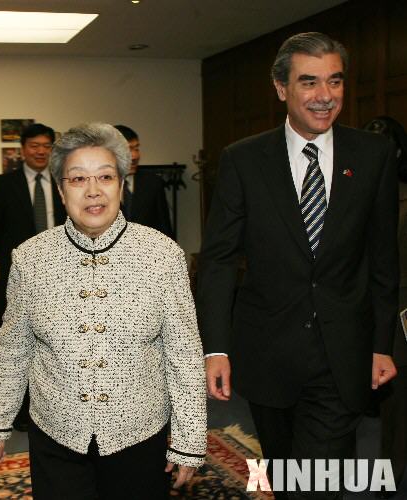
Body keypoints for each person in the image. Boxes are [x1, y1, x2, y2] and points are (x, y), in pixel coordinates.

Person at [197, 32, 398, 499]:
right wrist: (216, 348)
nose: (325, 95)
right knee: (286, 472)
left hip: (342, 354)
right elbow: (220, 260)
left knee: (320, 478)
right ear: (281, 88)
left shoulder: (373, 155)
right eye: (309, 82)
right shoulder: (243, 160)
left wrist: (382, 344)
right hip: (267, 352)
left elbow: (384, 259)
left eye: (335, 81)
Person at [0, 123, 206, 500]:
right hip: (56, 435)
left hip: (138, 435)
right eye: (78, 179)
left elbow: (183, 353)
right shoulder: (30, 258)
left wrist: (189, 439)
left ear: (121, 184)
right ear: (61, 190)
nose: (93, 190)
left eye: (105, 176)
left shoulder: (162, 256)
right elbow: (13, 348)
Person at [0, 122, 66, 431]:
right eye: (35, 145)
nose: (41, 151)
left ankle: (54, 408)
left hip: (61, 274)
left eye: (47, 146)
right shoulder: (3, 184)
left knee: (56, 341)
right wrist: (18, 262)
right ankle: (21, 414)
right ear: (22, 150)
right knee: (19, 342)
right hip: (20, 275)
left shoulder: (63, 181)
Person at [363, 116, 407, 498]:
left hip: (401, 312)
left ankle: (389, 476)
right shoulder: (353, 193)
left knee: (396, 400)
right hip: (360, 309)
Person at [114, 124, 173, 237]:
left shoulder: (153, 183)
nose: (134, 156)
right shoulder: (97, 186)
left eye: (136, 148)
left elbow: (165, 231)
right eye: (127, 149)